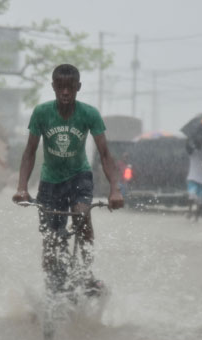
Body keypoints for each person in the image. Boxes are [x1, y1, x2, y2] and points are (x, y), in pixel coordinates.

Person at [12, 64, 124, 297]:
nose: (65, 92)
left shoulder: (89, 114)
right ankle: (51, 286)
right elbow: (29, 152)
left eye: (70, 87)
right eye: (60, 87)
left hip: (78, 177)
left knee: (82, 217)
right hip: (50, 182)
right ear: (53, 87)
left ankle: (86, 273)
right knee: (51, 241)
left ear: (78, 88)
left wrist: (115, 190)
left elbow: (105, 154)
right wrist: (22, 188)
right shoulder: (42, 112)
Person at [185, 137, 202, 221]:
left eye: (201, 142)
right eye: (198, 142)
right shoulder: (193, 152)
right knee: (192, 196)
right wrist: (188, 139)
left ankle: (196, 217)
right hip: (192, 178)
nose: (200, 144)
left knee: (200, 201)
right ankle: (190, 211)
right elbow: (187, 148)